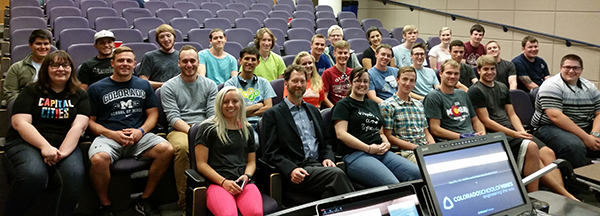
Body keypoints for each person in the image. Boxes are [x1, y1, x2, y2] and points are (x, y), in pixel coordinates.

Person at [468, 55, 577, 199]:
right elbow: (486, 121)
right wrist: (514, 134)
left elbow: (512, 114)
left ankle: (560, 195)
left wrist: (520, 131)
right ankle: (538, 196)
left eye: (492, 69)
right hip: (495, 133)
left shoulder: (502, 87)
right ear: (479, 71)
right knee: (531, 149)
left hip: (511, 130)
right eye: (486, 69)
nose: (490, 72)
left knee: (548, 152)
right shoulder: (475, 91)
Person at [87, 46, 174, 216]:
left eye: (129, 61)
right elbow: (89, 122)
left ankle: (145, 199)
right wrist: (111, 134)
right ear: (112, 63)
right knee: (98, 160)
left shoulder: (143, 85)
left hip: (138, 136)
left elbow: (153, 115)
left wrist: (140, 131)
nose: (125, 64)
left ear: (134, 64)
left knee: (167, 150)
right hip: (109, 136)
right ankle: (105, 204)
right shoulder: (96, 88)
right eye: (120, 60)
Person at [4, 50, 89, 216]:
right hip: (25, 142)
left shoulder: (80, 95)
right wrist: (45, 146)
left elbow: (78, 127)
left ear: (71, 69)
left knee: (74, 176)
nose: (60, 69)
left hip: (65, 144)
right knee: (34, 174)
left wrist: (61, 153)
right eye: (55, 65)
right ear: (46, 69)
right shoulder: (31, 91)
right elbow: (20, 123)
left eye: (65, 65)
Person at [263, 64, 355, 198]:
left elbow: (326, 142)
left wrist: (328, 158)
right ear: (286, 84)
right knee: (337, 176)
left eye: (302, 81)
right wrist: (291, 169)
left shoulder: (313, 110)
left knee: (331, 194)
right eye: (294, 81)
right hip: (297, 171)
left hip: (318, 166)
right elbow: (271, 152)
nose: (299, 84)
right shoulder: (273, 114)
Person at [333, 67, 421, 187]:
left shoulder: (373, 104)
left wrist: (386, 143)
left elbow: (381, 133)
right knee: (392, 184)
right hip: (355, 154)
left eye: (365, 81)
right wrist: (368, 148)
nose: (362, 84)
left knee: (417, 173)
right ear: (350, 82)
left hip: (380, 152)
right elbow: (341, 134)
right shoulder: (343, 104)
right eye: (358, 80)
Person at [161, 45, 218, 210]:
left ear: (198, 62)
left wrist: (203, 132)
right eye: (184, 61)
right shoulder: (169, 87)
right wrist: (194, 134)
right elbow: (173, 118)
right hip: (179, 129)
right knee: (183, 147)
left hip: (206, 126)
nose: (189, 64)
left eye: (192, 61)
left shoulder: (209, 84)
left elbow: (211, 114)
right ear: (178, 63)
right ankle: (187, 202)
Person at [194, 86, 263, 216]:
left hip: (243, 183)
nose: (230, 105)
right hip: (218, 183)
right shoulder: (207, 128)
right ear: (219, 104)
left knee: (256, 213)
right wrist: (224, 182)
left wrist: (247, 176)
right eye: (225, 102)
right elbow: (201, 164)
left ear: (241, 104)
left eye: (235, 101)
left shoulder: (247, 129)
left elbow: (251, 162)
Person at [531, 54, 600, 169]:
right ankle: (577, 181)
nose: (571, 71)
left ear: (581, 70)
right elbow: (556, 116)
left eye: (575, 68)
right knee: (574, 146)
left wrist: (595, 135)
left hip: (583, 125)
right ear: (561, 68)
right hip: (549, 127)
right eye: (567, 67)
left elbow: (598, 113)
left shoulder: (590, 87)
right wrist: (586, 138)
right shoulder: (551, 85)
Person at [380, 66, 434, 163]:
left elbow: (426, 132)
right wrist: (416, 148)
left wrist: (433, 146)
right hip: (406, 152)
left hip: (425, 149)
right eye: (404, 79)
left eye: (412, 80)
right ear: (397, 80)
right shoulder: (387, 105)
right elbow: (388, 136)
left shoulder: (419, 105)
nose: (408, 83)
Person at [423, 59, 485, 141]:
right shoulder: (433, 97)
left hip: (473, 138)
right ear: (441, 73)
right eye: (449, 73)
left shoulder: (462, 94)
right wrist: (461, 136)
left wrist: (482, 135)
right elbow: (435, 129)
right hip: (453, 141)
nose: (452, 76)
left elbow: (475, 120)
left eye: (456, 74)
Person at [224, 47, 276, 128]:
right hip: (239, 124)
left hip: (262, 124)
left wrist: (246, 113)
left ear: (258, 62)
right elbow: (232, 111)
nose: (250, 62)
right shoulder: (230, 83)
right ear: (240, 61)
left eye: (253, 59)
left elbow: (268, 108)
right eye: (246, 59)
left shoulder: (264, 82)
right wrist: (257, 106)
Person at [4, 29, 51, 102]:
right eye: (38, 43)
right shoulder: (16, 68)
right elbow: (10, 93)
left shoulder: (58, 68)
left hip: (52, 106)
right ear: (30, 45)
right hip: (25, 106)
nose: (43, 47)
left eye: (46, 44)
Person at [139, 24, 180, 89]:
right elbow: (143, 81)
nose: (166, 39)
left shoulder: (181, 56)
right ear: (158, 41)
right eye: (161, 37)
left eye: (168, 36)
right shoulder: (149, 56)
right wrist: (166, 85)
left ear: (174, 37)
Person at [322, 40, 353, 107]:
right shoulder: (328, 73)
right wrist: (334, 109)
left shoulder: (353, 72)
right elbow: (324, 97)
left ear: (349, 54)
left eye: (345, 53)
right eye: (340, 53)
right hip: (336, 108)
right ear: (334, 54)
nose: (343, 55)